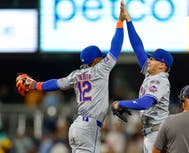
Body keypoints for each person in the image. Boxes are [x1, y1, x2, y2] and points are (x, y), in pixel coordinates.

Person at [16, 2, 125, 152]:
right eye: (100, 58)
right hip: (89, 127)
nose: (102, 59)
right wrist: (120, 22)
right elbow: (116, 47)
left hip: (77, 126)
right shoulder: (100, 69)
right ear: (95, 60)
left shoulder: (76, 75)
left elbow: (56, 84)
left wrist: (35, 85)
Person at [112, 2, 173, 153]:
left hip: (158, 133)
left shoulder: (160, 80)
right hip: (150, 133)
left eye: (153, 59)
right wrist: (129, 22)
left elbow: (145, 103)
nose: (149, 60)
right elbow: (137, 46)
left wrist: (121, 103)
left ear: (162, 65)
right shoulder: (151, 73)